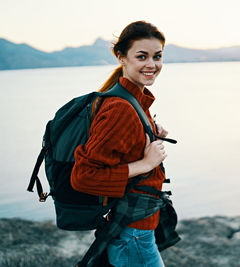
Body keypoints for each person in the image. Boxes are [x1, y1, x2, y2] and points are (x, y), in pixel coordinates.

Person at [71, 21, 170, 267]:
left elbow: (119, 149)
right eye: (142, 56)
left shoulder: (133, 100)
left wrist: (150, 131)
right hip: (132, 234)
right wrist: (146, 163)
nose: (152, 64)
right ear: (121, 57)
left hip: (136, 230)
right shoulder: (120, 109)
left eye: (157, 56)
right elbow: (84, 176)